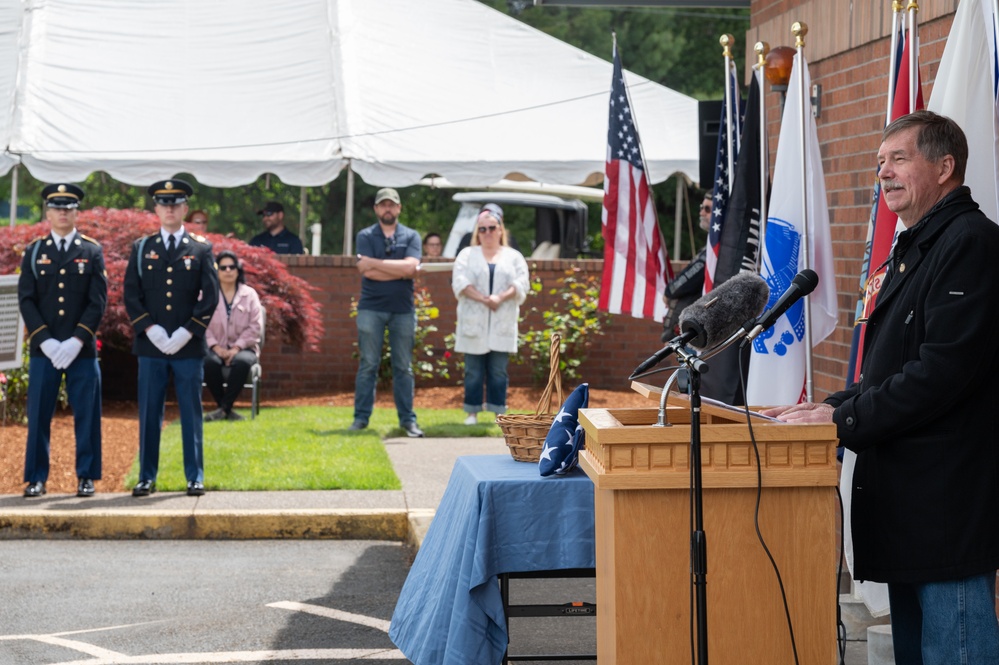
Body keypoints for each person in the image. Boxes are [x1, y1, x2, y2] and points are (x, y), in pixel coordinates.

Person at [761, 111, 999, 663]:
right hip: (908, 506)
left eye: (898, 159)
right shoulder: (917, 246)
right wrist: (826, 406)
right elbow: (888, 375)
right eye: (879, 163)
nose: (883, 173)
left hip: (947, 510)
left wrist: (840, 421)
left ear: (945, 167)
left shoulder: (969, 243)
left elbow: (942, 373)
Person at [124, 179, 219, 497]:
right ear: (155, 208)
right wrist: (150, 329)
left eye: (175, 203)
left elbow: (211, 296)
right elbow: (131, 294)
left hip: (187, 345)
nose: (169, 208)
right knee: (150, 412)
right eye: (163, 203)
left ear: (185, 209)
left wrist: (187, 331)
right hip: (150, 345)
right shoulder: (141, 248)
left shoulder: (201, 248)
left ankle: (195, 476)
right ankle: (146, 476)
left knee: (191, 412)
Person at [18, 183, 107, 498]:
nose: (63, 213)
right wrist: (46, 340)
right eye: (57, 208)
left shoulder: (91, 251)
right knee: (39, 415)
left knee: (87, 415)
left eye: (68, 208)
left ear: (76, 212)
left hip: (80, 350)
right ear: (48, 212)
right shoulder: (35, 251)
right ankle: (36, 478)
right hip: (45, 350)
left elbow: (97, 302)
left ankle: (87, 476)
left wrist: (75, 340)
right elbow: (26, 300)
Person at [350, 187, 424, 438]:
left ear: (399, 208)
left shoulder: (411, 236)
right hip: (371, 308)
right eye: (383, 205)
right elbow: (365, 272)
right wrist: (399, 269)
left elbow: (411, 267)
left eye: (392, 204)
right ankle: (360, 419)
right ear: (376, 209)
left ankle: (408, 421)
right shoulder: (365, 235)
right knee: (368, 364)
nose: (388, 208)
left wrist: (375, 263)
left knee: (403, 367)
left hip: (402, 310)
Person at [452, 204, 529, 424]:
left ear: (500, 229)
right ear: (478, 231)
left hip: (501, 321)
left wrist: (500, 297)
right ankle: (472, 412)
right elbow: (460, 281)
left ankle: (498, 411)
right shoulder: (467, 254)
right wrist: (484, 299)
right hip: (473, 321)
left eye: (492, 228)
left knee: (498, 371)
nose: (487, 233)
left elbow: (522, 282)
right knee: (473, 371)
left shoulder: (513, 256)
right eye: (482, 229)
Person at [203, 250, 263, 422]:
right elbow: (201, 323)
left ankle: (223, 409)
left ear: (238, 270)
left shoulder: (250, 295)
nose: (228, 271)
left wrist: (236, 348)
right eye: (223, 267)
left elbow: (255, 327)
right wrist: (216, 347)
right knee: (209, 362)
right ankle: (226, 410)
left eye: (232, 267)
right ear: (217, 271)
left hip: (244, 348)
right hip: (214, 348)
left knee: (242, 362)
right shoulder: (207, 294)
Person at [661, 194, 711, 340]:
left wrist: (670, 290)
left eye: (707, 209)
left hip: (697, 331)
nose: (701, 212)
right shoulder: (710, 245)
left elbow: (693, 274)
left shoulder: (716, 249)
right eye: (702, 207)